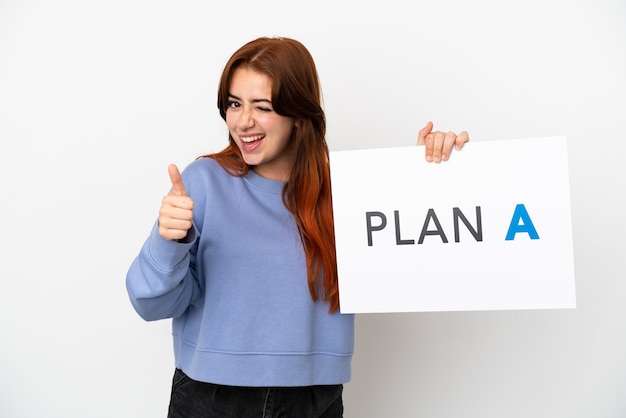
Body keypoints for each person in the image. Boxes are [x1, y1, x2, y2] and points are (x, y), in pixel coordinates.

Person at [126, 36, 469, 418]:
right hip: (212, 398)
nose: (244, 121)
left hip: (313, 400)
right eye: (235, 104)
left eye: (263, 107)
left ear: (298, 113)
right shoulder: (204, 181)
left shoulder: (347, 191)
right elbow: (149, 302)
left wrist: (432, 172)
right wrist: (167, 240)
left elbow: (414, 264)